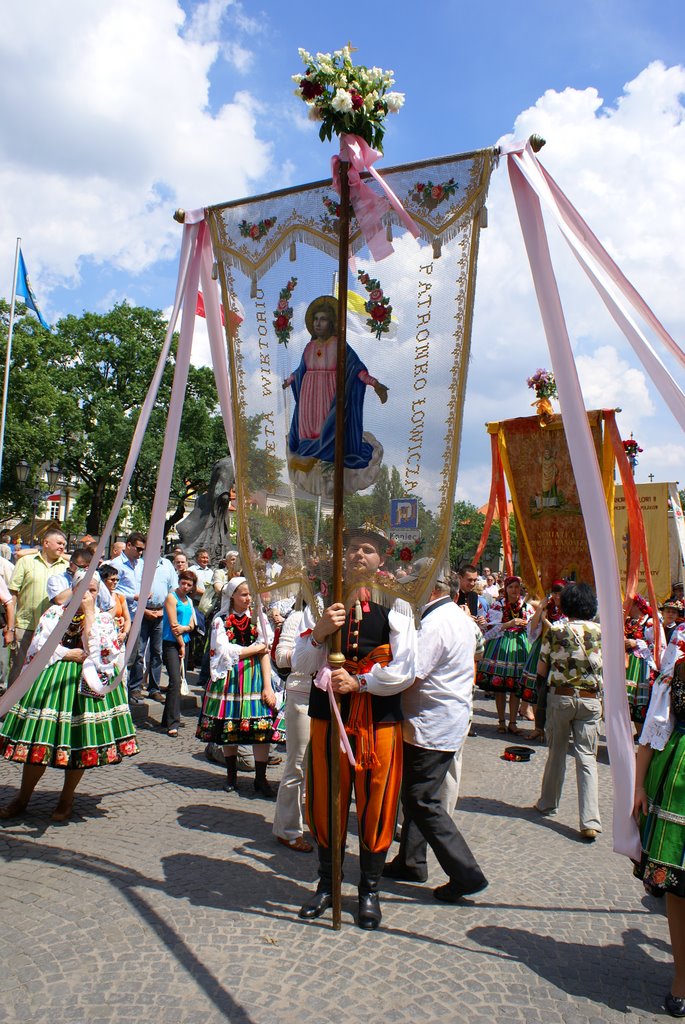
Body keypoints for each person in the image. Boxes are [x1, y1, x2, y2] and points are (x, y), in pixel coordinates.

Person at [293, 524, 416, 931]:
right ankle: (328, 885)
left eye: (368, 549)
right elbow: (299, 663)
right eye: (352, 548)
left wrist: (361, 681)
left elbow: (406, 669)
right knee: (326, 798)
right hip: (328, 715)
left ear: (382, 557)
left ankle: (370, 890)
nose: (359, 555)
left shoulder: (397, 603)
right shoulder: (321, 598)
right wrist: (322, 633)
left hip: (377, 719)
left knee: (377, 800)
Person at [0, 573, 138, 822]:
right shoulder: (55, 613)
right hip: (54, 680)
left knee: (78, 740)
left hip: (88, 683)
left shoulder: (104, 619)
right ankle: (23, 796)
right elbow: (40, 643)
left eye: (93, 590)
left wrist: (90, 614)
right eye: (84, 589)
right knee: (38, 740)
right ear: (73, 588)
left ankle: (67, 797)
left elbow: (102, 652)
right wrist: (65, 653)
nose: (88, 594)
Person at [383, 576, 488, 902]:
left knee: (420, 798)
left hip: (432, 723)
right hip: (440, 719)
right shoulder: (453, 615)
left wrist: (369, 679)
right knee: (416, 793)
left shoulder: (437, 622)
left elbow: (412, 671)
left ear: (429, 588)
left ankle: (465, 873)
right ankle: (411, 862)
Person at [633, 620, 685, 1017]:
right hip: (680, 777)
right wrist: (637, 786)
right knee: (679, 889)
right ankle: (681, 978)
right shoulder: (681, 658)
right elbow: (656, 725)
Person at [282, 296, 388, 489]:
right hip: (309, 397)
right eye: (315, 319)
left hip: (328, 396)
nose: (318, 323)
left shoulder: (339, 346)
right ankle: (310, 458)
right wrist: (290, 380)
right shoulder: (309, 347)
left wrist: (374, 383)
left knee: (328, 431)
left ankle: (319, 459)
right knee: (310, 436)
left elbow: (356, 369)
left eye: (322, 319)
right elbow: (300, 371)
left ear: (332, 323)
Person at [196, 576, 278, 797]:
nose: (249, 598)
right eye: (244, 594)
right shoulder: (220, 620)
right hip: (230, 677)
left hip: (254, 677)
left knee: (261, 728)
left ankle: (260, 778)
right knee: (229, 724)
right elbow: (225, 651)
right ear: (232, 595)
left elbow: (266, 651)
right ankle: (231, 774)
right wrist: (256, 647)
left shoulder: (257, 618)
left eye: (250, 594)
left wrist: (268, 686)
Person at [534, 582, 603, 841]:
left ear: (565, 605)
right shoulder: (602, 632)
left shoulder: (556, 630)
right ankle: (590, 820)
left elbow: (542, 670)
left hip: (560, 698)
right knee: (587, 757)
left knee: (557, 752)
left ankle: (548, 803)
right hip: (591, 700)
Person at [272, 603, 314, 853]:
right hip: (303, 694)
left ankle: (313, 820)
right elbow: (280, 656)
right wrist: (310, 651)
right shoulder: (298, 616)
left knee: (320, 765)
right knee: (297, 763)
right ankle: (287, 829)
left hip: (329, 695)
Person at [7, 526, 69, 684]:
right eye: (59, 543)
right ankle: (12, 706)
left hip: (53, 629)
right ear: (46, 543)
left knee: (46, 671)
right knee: (18, 668)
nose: (62, 547)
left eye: (64, 544)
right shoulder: (26, 562)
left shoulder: (67, 567)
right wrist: (11, 627)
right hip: (25, 626)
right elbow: (13, 594)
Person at [476, 575, 532, 734]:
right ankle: (501, 721)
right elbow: (490, 628)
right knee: (500, 687)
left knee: (516, 687)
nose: (514, 590)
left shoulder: (526, 606)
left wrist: (527, 624)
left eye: (517, 587)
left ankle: (513, 722)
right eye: (511, 587)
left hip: (520, 646)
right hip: (501, 645)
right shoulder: (498, 605)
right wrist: (509, 624)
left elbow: (533, 629)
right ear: (506, 589)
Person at [518, 581, 565, 733]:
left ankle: (554, 727)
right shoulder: (546, 607)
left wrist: (545, 620)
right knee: (539, 687)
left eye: (560, 593)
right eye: (555, 592)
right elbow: (532, 629)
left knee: (556, 690)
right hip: (542, 648)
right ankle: (539, 727)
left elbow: (561, 632)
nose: (557, 596)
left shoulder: (568, 610)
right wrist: (539, 610)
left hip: (559, 652)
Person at [160, 570, 196, 738]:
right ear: (179, 581)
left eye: (189, 585)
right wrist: (181, 643)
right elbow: (174, 624)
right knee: (174, 680)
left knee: (179, 679)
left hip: (185, 641)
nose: (185, 586)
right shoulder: (171, 598)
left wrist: (186, 630)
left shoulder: (188, 600)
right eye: (183, 583)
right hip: (172, 642)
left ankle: (166, 718)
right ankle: (173, 722)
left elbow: (191, 624)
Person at [625, 593, 657, 736]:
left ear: (637, 605)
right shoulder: (626, 621)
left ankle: (641, 733)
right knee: (625, 702)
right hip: (625, 662)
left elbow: (656, 645)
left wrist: (635, 643)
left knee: (639, 702)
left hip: (640, 665)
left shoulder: (649, 623)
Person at [99, 564, 131, 643]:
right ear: (103, 580)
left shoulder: (120, 597)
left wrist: (124, 633)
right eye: (112, 579)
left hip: (118, 638)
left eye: (117, 580)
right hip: (101, 637)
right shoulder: (97, 598)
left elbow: (127, 619)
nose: (115, 582)